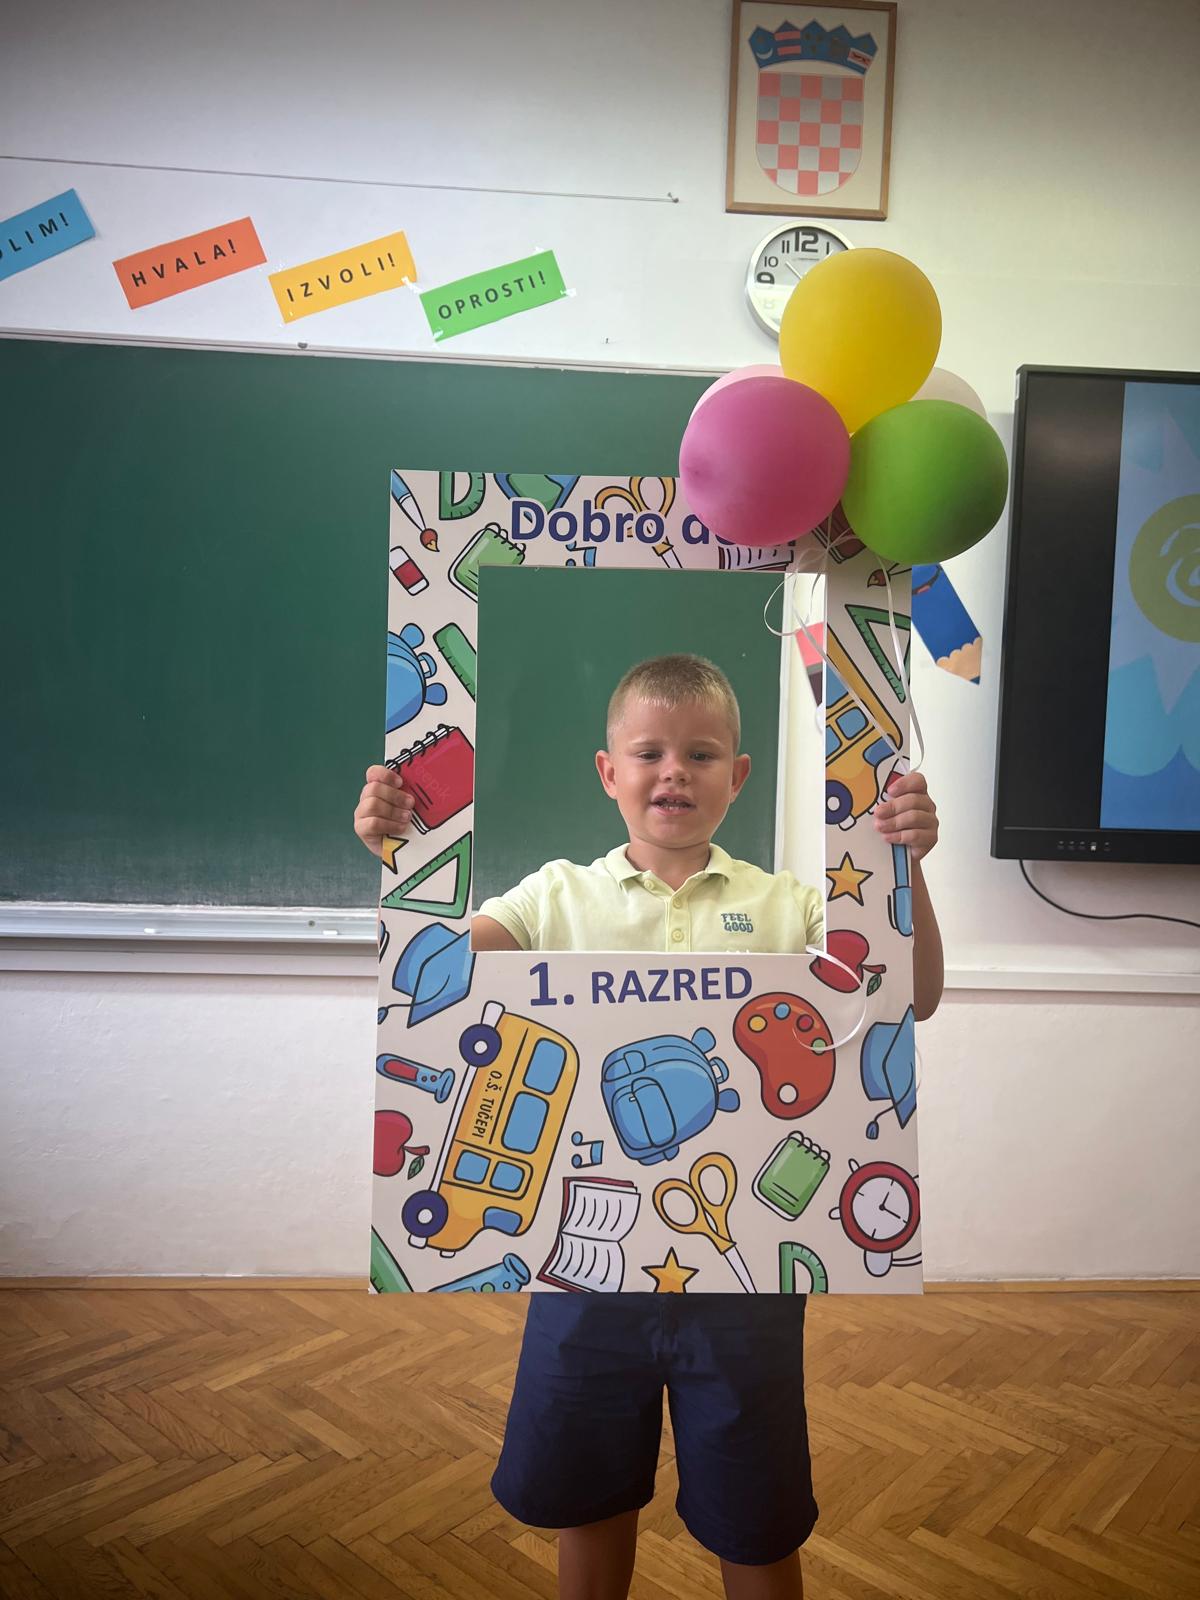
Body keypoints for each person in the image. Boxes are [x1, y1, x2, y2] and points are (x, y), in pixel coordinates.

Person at [355, 653, 944, 1600]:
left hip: (748, 1280)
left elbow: (910, 996)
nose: (675, 772)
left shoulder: (790, 905)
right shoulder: (554, 897)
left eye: (702, 754)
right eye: (650, 753)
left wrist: (901, 871)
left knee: (755, 1517)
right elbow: (430, 980)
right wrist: (402, 856)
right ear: (609, 772)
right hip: (579, 1270)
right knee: (589, 1500)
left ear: (738, 776)